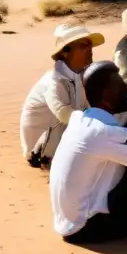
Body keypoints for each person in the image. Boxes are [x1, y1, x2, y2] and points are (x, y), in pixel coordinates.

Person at [50, 61, 127, 244]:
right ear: (106, 96)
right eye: (120, 85)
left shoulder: (80, 120)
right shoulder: (103, 132)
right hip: (88, 228)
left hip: (70, 223)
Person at [21, 23, 105, 165]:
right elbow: (64, 114)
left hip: (64, 140)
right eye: (84, 45)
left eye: (90, 45)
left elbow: (86, 108)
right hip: (42, 153)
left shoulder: (77, 75)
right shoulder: (54, 81)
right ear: (65, 52)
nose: (90, 50)